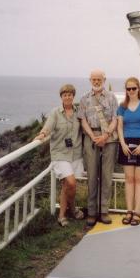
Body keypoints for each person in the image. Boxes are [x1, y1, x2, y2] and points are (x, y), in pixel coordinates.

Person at [35, 84, 84, 227]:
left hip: (75, 153)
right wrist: (42, 134)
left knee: (66, 186)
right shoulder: (55, 112)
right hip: (60, 153)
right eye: (65, 95)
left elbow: (86, 126)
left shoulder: (79, 113)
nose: (67, 97)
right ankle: (71, 210)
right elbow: (48, 126)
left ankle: (64, 214)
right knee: (71, 182)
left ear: (73, 96)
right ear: (61, 97)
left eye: (70, 94)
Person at [78, 70, 118, 226]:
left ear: (104, 79)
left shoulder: (111, 97)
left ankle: (104, 211)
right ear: (90, 80)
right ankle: (92, 212)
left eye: (99, 79)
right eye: (93, 79)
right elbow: (83, 121)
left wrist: (106, 135)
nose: (96, 81)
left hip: (109, 138)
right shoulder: (84, 99)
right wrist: (93, 137)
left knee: (107, 175)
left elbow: (115, 119)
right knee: (92, 175)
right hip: (91, 138)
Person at [117, 77, 140, 226]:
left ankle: (138, 212)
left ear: (138, 89)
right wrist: (123, 144)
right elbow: (119, 127)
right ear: (126, 90)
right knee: (129, 179)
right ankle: (129, 211)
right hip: (126, 144)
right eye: (128, 89)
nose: (131, 91)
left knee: (139, 179)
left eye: (134, 88)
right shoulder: (122, 106)